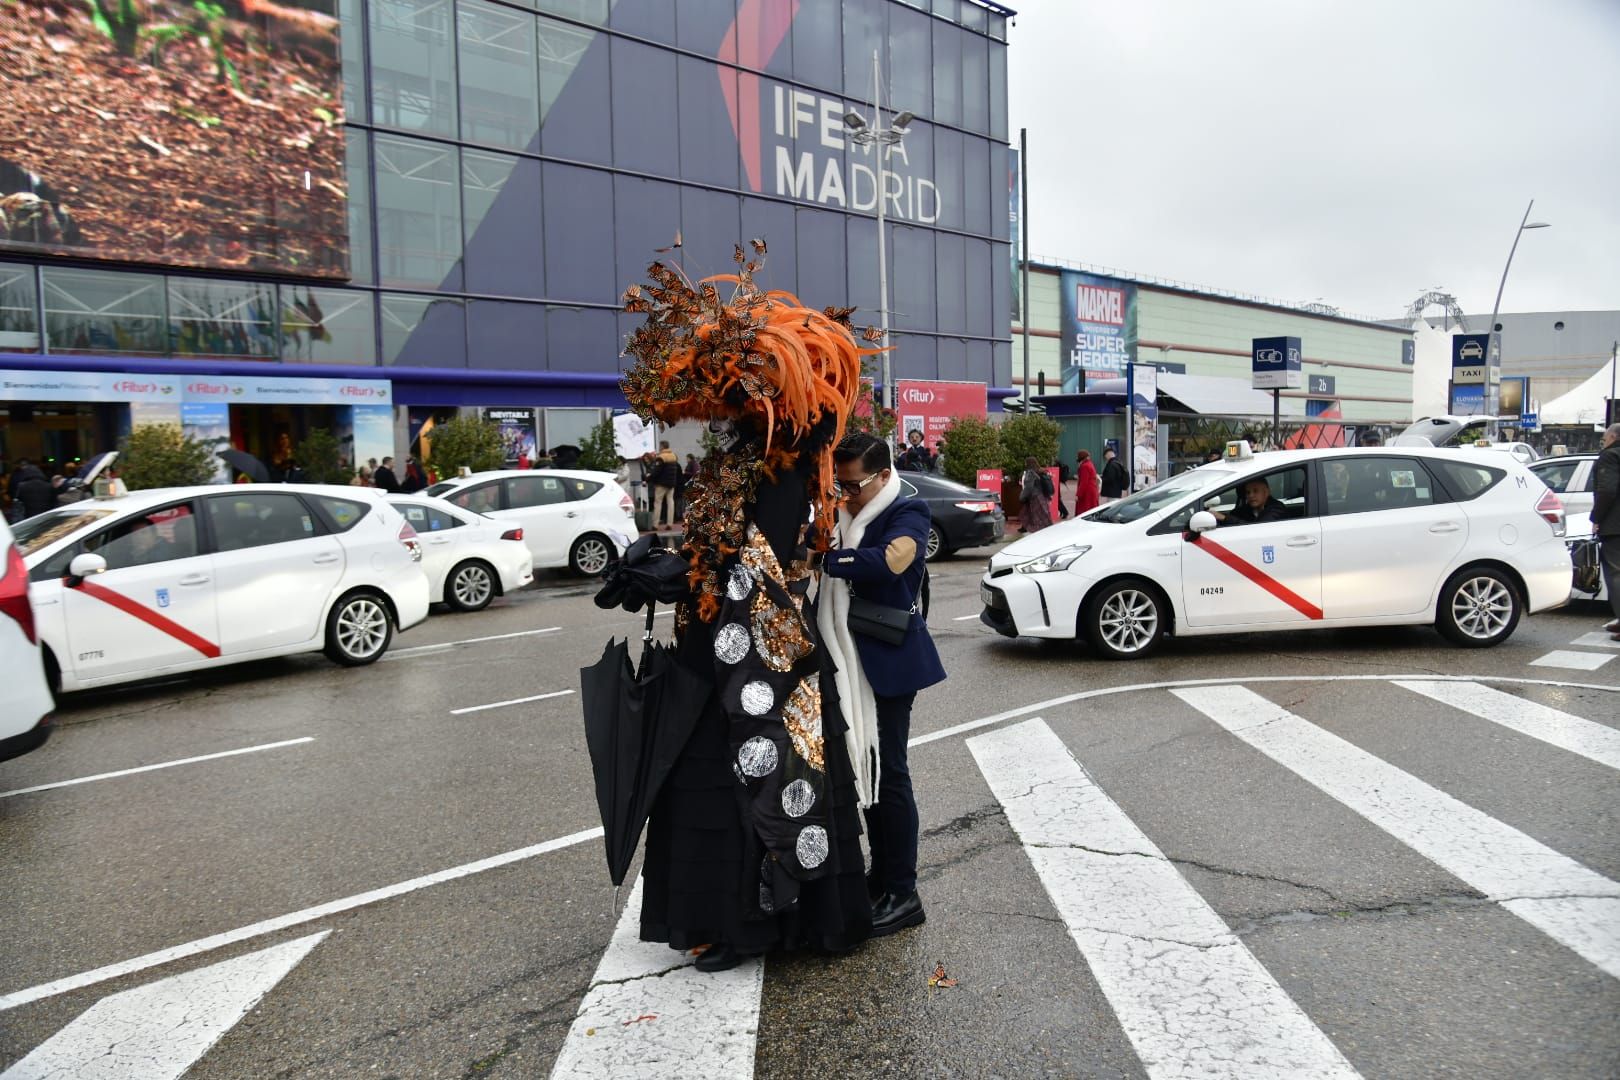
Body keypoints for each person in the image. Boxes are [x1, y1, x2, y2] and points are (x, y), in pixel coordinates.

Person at [619, 252, 873, 973]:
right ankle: (725, 920)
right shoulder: (738, 459)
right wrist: (662, 567)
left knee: (752, 789)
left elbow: (761, 570)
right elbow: (721, 550)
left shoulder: (789, 469)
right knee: (709, 789)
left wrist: (679, 577)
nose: (719, 416)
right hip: (718, 658)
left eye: (733, 399)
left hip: (766, 671)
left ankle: (754, 926)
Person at [818, 431, 945, 937]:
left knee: (888, 772)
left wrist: (828, 560)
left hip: (887, 659)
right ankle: (880, 873)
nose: (845, 496)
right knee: (859, 769)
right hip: (843, 659)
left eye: (854, 486)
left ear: (886, 474)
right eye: (838, 487)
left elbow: (895, 560)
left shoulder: (908, 511)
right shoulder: (841, 513)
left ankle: (904, 892)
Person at [1592, 423, 1620, 640]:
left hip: (1615, 525)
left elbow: (1608, 490)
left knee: (1616, 574)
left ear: (1612, 436)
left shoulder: (1610, 456)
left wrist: (1596, 518)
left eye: (1604, 437)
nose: (1603, 441)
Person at [1217, 477, 1288, 525]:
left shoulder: (1277, 508)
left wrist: (1225, 518)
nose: (1251, 495)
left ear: (1266, 492)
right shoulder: (1246, 509)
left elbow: (1258, 528)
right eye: (1248, 492)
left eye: (1255, 491)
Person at [649, 440, 680, 530]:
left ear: (662, 446)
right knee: (670, 502)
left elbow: (656, 471)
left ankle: (655, 524)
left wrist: (649, 478)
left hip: (661, 484)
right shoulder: (674, 456)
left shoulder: (661, 457)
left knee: (658, 503)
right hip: (672, 483)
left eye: (660, 445)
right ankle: (669, 524)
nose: (659, 447)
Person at [1018, 455, 1053, 533]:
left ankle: (1039, 533)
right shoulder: (1041, 470)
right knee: (1044, 515)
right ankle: (1048, 530)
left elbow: (1029, 487)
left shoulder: (1031, 473)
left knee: (1037, 517)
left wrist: (1022, 497)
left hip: (1035, 497)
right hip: (1043, 496)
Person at [1075, 449, 1101, 514]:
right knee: (1092, 510)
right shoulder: (1090, 464)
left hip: (1087, 493)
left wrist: (1078, 495)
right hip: (1092, 490)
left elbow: (1084, 482)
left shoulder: (1084, 466)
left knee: (1085, 511)